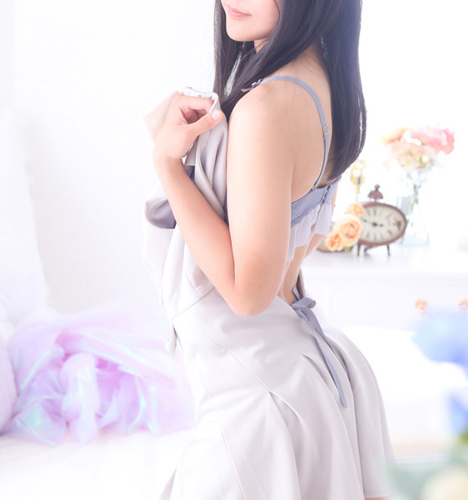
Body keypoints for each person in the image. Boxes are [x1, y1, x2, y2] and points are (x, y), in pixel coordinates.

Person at [151, 0, 395, 498]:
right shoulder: (325, 84)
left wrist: (169, 167)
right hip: (296, 365)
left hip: (258, 395)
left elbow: (247, 293)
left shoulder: (266, 107)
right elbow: (307, 234)